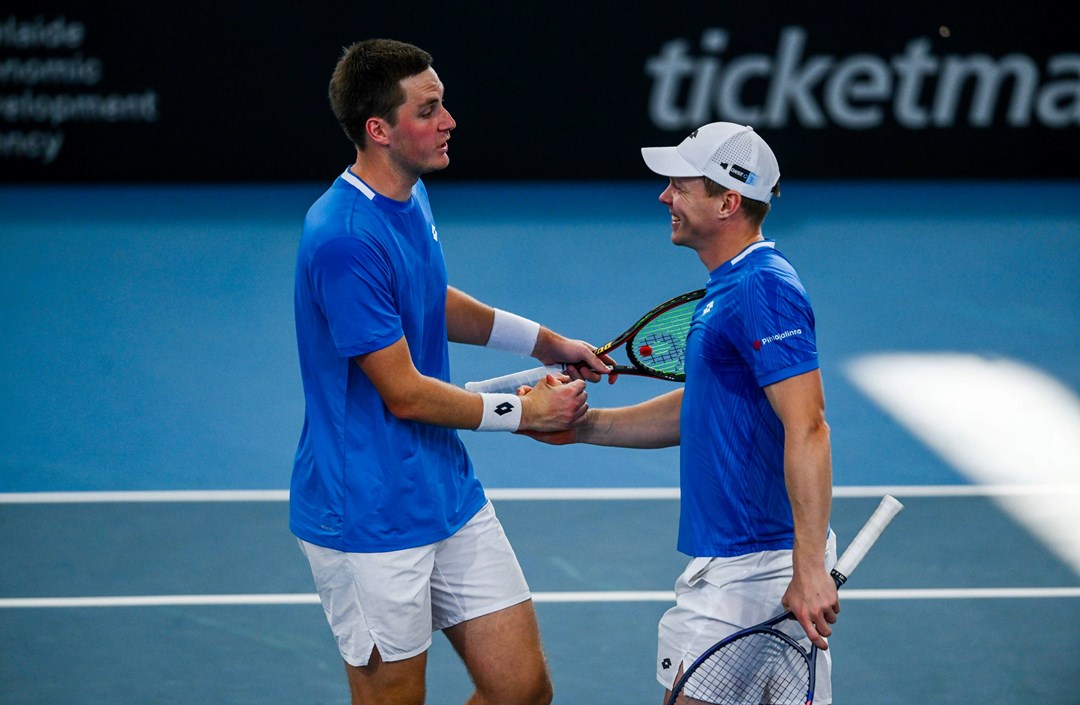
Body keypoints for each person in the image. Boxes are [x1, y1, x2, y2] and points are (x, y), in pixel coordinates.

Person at [289, 38, 610, 705]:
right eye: (429, 109)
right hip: (368, 514)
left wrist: (546, 342)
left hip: (445, 489)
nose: (449, 120)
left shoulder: (407, 199)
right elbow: (403, 393)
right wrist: (527, 413)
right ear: (379, 130)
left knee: (520, 690)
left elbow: (429, 296)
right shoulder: (343, 236)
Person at [522, 122, 839, 704]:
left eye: (681, 186)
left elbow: (808, 425)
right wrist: (585, 427)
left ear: (728, 201)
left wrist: (809, 568)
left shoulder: (763, 290)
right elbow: (706, 408)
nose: (664, 196)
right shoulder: (732, 287)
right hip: (753, 560)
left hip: (752, 568)